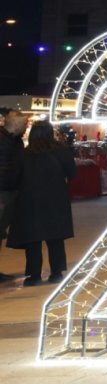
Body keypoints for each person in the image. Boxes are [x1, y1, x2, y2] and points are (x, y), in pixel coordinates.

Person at [7, 121, 76, 285]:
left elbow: (12, 179)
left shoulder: (24, 153)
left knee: (32, 239)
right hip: (56, 199)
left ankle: (34, 275)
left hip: (29, 201)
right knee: (55, 238)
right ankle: (56, 272)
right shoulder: (62, 151)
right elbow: (72, 173)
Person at [0, 106, 30, 281]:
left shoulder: (15, 141)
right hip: (2, 190)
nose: (26, 128)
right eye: (25, 125)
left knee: (1, 231)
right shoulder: (6, 140)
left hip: (9, 190)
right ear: (17, 126)